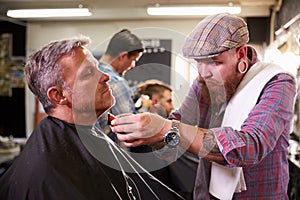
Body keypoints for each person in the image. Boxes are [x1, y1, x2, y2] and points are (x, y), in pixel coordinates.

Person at [110, 13, 297, 199]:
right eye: (199, 62)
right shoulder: (204, 83)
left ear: (240, 54)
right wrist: (149, 133)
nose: (204, 73)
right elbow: (177, 131)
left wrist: (167, 129)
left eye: (214, 62)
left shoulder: (276, 82)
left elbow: (250, 146)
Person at [0, 36, 183, 200]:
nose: (105, 77)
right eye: (89, 73)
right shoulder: (48, 173)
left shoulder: (89, 134)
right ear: (58, 95)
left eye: (97, 69)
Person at [97, 29, 144, 139]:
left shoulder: (88, 74)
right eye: (134, 60)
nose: (133, 65)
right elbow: (130, 128)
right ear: (123, 56)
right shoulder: (116, 82)